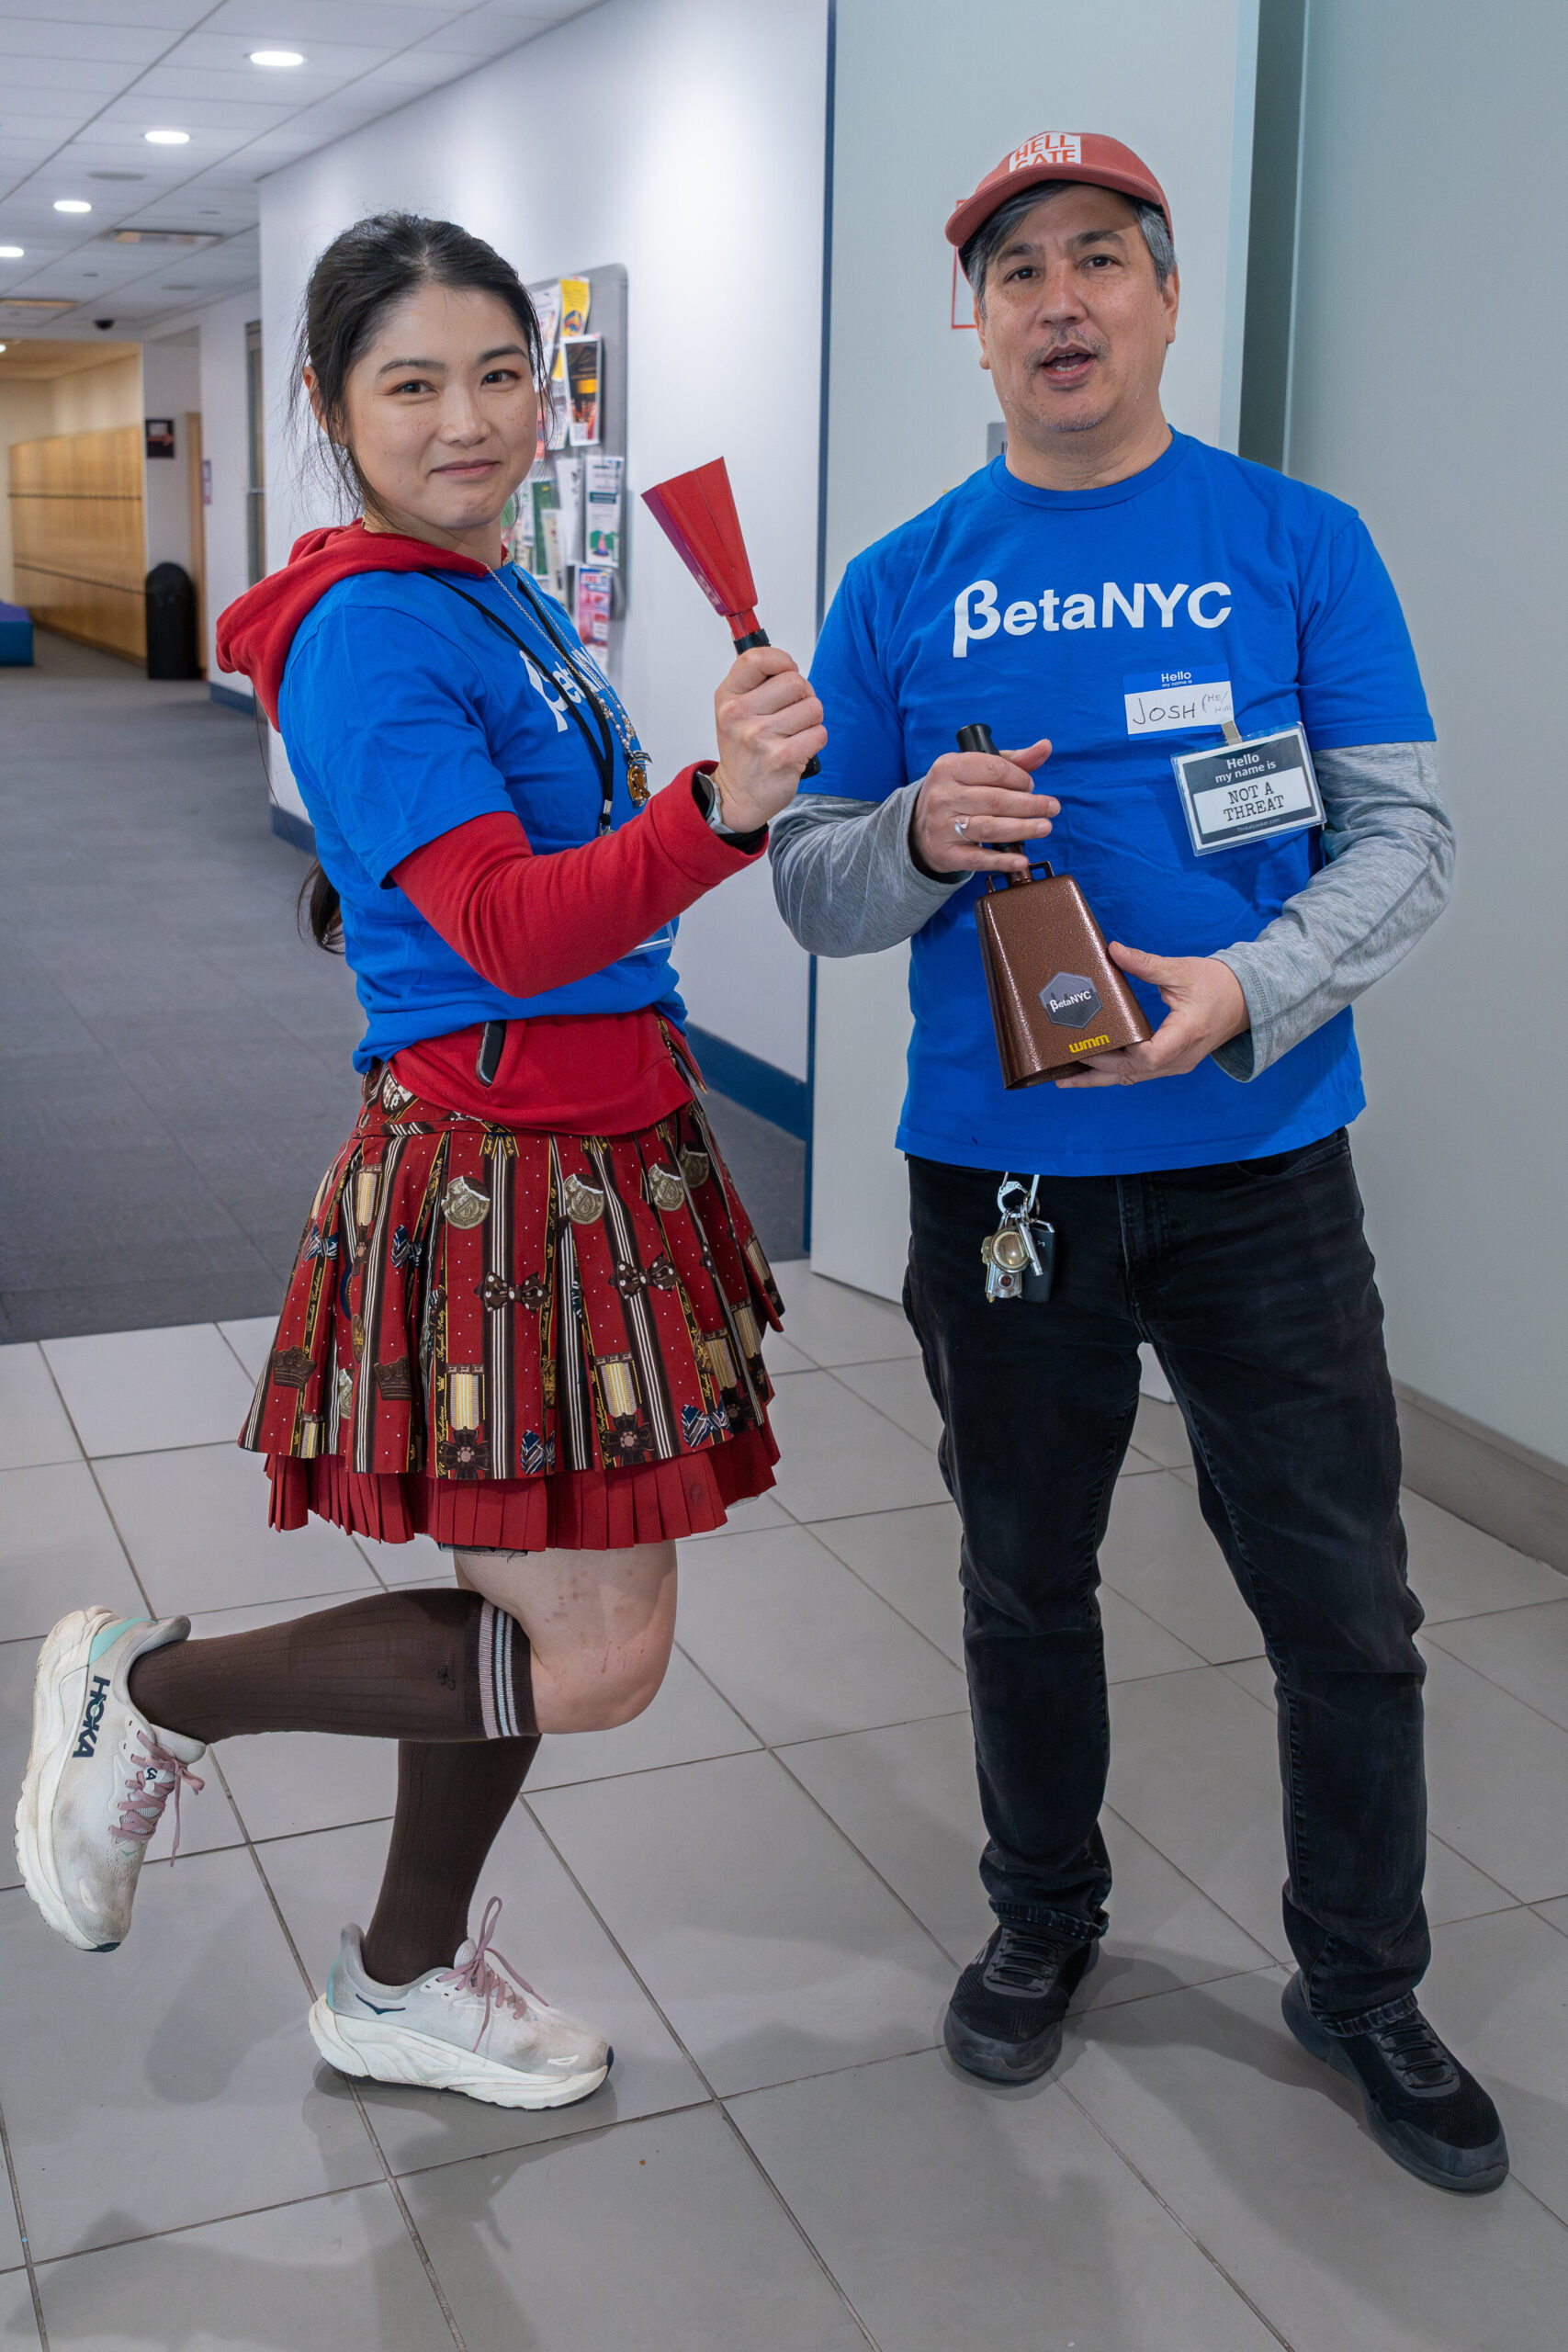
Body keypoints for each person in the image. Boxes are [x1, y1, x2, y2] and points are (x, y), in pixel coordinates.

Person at [17, 212, 824, 2111]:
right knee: (596, 1654)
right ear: (327, 404)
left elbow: (543, 866)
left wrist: (696, 796)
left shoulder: (487, 588)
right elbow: (497, 921)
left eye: (496, 374)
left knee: (522, 1615)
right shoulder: (373, 621)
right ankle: (148, 1697)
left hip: (595, 1140)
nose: (466, 419)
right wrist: (710, 814)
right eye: (410, 384)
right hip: (509, 1171)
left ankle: (397, 1975)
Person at [771, 133, 1508, 2194]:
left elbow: (1403, 838)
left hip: (1260, 1161)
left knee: (1342, 1599)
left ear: (1164, 299)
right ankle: (1043, 1909)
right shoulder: (902, 576)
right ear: (974, 323)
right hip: (997, 1179)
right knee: (1025, 1577)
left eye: (1099, 258)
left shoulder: (1293, 541)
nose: (1060, 298)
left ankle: (1358, 1976)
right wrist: (914, 835)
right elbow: (809, 883)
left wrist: (1251, 986)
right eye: (1016, 271)